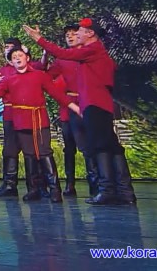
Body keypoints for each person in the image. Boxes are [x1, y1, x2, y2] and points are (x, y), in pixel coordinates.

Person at [24, 18, 136, 206]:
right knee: (111, 145)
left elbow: (62, 53)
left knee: (101, 146)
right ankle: (123, 191)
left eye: (80, 31)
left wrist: (39, 39)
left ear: (90, 33)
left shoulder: (92, 50)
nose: (77, 34)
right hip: (97, 102)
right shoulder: (95, 52)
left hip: (95, 103)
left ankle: (108, 190)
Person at [0, 47, 80, 203]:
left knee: (44, 152)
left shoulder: (39, 75)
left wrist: (74, 107)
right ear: (11, 62)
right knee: (29, 154)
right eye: (14, 57)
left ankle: (54, 189)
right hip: (21, 121)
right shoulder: (9, 79)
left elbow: (56, 94)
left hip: (38, 120)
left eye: (20, 55)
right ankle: (33, 189)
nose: (17, 58)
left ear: (27, 58)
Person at [46, 25, 96, 197]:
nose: (70, 37)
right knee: (69, 148)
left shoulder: (89, 55)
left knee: (88, 146)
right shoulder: (62, 59)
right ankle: (70, 184)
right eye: (67, 35)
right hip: (68, 107)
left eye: (74, 34)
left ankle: (95, 184)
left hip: (87, 104)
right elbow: (47, 77)